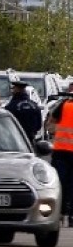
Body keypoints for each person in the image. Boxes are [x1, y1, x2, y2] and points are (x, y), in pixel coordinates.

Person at [49, 94, 73, 226]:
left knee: (60, 184)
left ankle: (60, 213)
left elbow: (51, 123)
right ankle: (71, 215)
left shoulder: (63, 105)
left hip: (61, 150)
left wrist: (54, 133)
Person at [4, 79, 42, 143]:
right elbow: (39, 125)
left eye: (14, 88)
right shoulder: (34, 105)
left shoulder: (11, 106)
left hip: (15, 139)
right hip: (30, 138)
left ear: (17, 89)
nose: (12, 91)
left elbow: (6, 124)